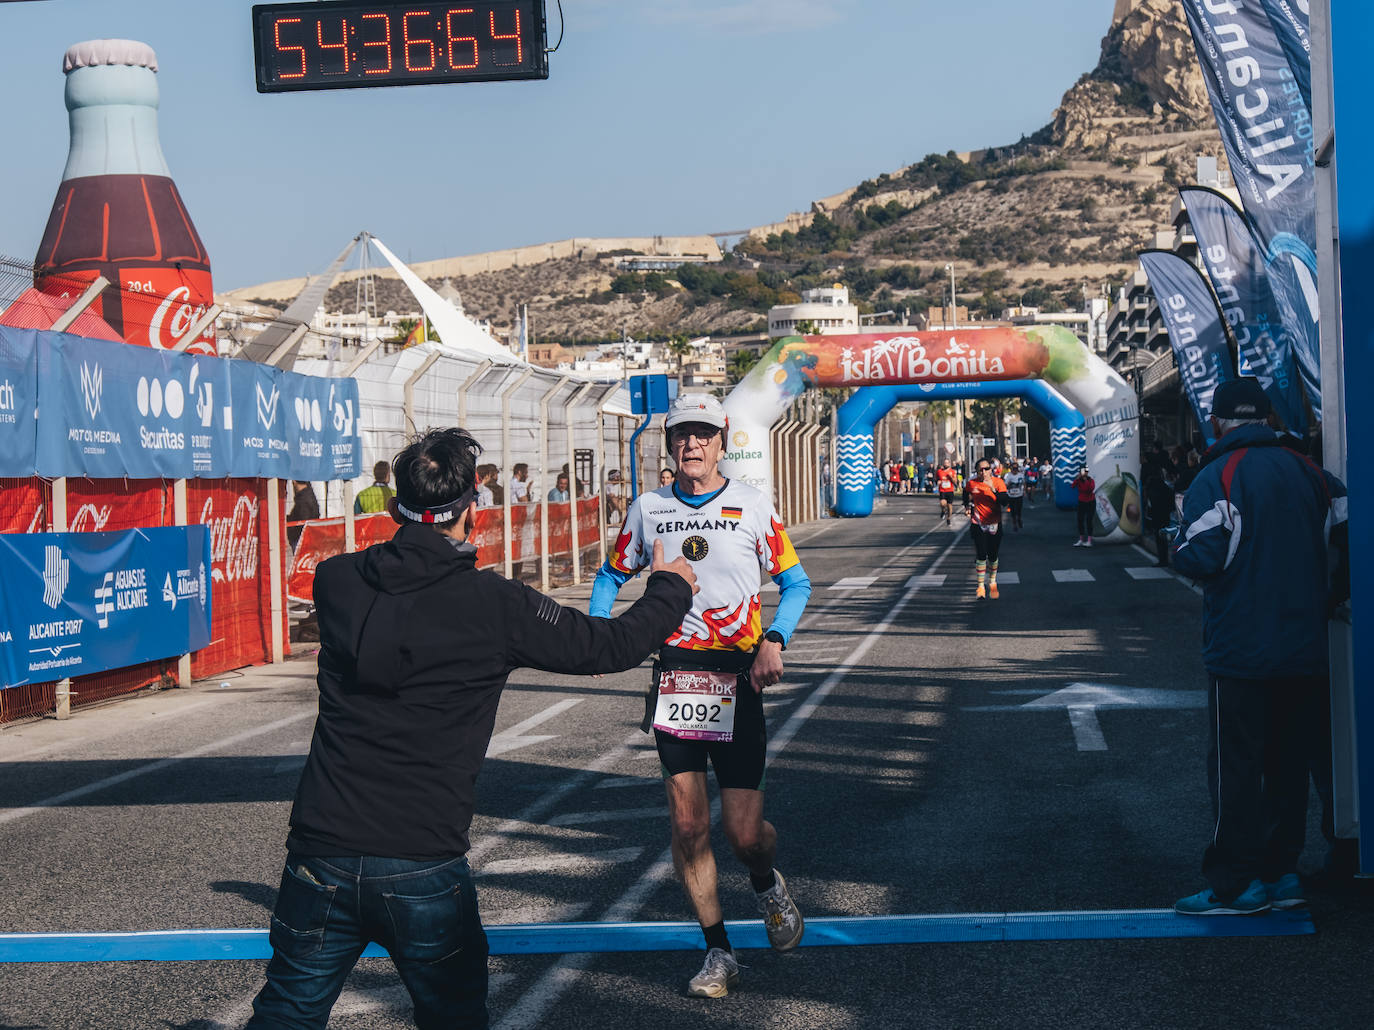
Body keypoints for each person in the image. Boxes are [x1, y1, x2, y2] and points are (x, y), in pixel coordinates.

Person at [247, 428, 697, 1029]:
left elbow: (394, 593)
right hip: (423, 857)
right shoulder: (494, 604)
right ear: (471, 512)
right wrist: (670, 589)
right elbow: (608, 646)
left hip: (321, 847)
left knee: (287, 1013)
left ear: (395, 503)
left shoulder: (337, 582)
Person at [589, 392, 812, 999]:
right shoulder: (649, 508)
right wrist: (603, 638)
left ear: (722, 439)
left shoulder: (752, 504)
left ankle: (767, 883)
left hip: (738, 674)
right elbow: (610, 575)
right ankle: (718, 950)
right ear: (671, 444)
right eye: (682, 434)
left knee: (744, 836)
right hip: (677, 677)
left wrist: (776, 640)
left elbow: (796, 583)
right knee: (688, 827)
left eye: (703, 434)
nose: (692, 444)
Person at [1170, 379, 1347, 916]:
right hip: (1306, 649)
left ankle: (1236, 884)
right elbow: (1349, 552)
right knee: (1289, 765)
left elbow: (1195, 555)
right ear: (1269, 418)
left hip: (1240, 651)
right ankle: (1283, 873)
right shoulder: (1317, 476)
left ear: (1219, 421)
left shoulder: (1217, 476)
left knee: (1237, 768)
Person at [962, 459, 1010, 599]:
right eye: (980, 470)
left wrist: (992, 489)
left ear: (991, 469)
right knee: (981, 554)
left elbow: (1004, 501)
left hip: (994, 522)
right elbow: (966, 493)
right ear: (977, 471)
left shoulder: (998, 482)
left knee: (993, 555)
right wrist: (967, 506)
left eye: (986, 469)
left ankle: (993, 582)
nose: (983, 472)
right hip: (978, 522)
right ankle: (980, 586)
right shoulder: (972, 483)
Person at [286, 481, 319, 550]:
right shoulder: (309, 495)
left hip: (301, 539)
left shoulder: (302, 499)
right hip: (307, 538)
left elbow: (303, 520)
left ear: (294, 482)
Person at [1071, 465, 1096, 546]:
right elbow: (1072, 486)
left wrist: (1085, 481)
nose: (1083, 473)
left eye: (1085, 472)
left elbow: (1090, 489)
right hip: (1081, 501)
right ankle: (1081, 539)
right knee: (1080, 520)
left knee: (1089, 520)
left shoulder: (1091, 480)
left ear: (1087, 472)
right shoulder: (1079, 480)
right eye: (1082, 472)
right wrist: (1077, 479)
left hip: (1090, 502)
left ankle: (1089, 540)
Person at [1003, 461, 1026, 530]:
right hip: (1011, 495)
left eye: (1016, 468)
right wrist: (1008, 484)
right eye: (1013, 469)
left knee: (1019, 509)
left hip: (1019, 495)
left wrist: (1024, 491)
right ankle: (1014, 524)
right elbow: (1005, 485)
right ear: (1011, 468)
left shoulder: (1021, 475)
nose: (1015, 470)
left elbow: (1024, 483)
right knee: (1012, 510)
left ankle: (1019, 519)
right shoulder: (1008, 475)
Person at [936, 459, 959, 526]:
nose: (946, 464)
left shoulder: (952, 471)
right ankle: (943, 510)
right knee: (942, 503)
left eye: (947, 463)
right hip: (942, 490)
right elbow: (936, 479)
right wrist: (938, 482)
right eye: (945, 462)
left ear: (949, 464)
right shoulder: (939, 471)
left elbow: (955, 483)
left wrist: (951, 477)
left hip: (950, 490)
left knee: (949, 506)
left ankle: (948, 519)